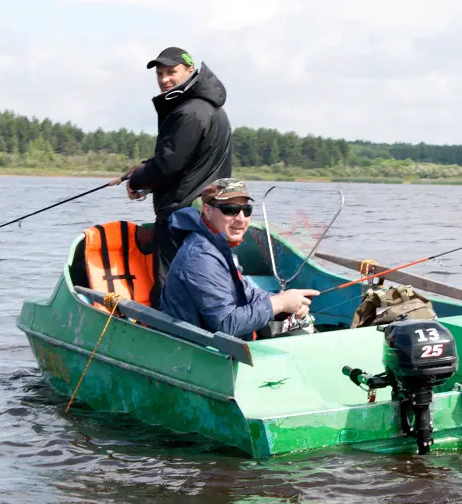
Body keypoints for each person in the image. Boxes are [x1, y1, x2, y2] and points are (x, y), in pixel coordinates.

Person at [110, 46, 232, 308]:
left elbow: (167, 165)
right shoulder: (210, 109)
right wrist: (142, 169)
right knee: (200, 282)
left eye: (171, 72)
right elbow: (186, 161)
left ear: (190, 71)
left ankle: (167, 339)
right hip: (209, 215)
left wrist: (136, 182)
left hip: (181, 216)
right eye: (160, 74)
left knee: (170, 288)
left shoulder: (188, 112)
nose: (165, 79)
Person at [160, 179, 320, 341]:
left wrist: (287, 304)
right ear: (207, 211)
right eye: (230, 209)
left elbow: (245, 293)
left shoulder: (216, 246)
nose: (241, 219)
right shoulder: (201, 257)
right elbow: (226, 324)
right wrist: (278, 303)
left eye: (247, 210)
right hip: (197, 351)